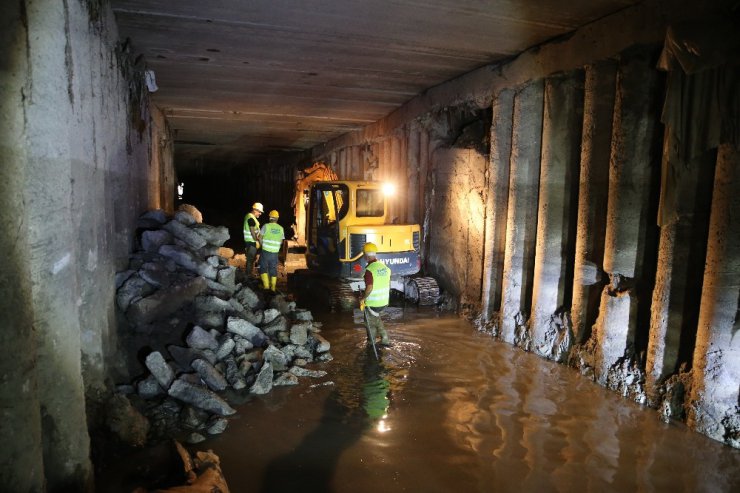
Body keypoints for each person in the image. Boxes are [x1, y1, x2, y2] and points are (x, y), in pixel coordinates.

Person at [359, 242, 391, 347]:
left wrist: (363, 298)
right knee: (376, 319)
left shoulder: (369, 270)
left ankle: (371, 342)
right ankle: (384, 338)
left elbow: (370, 287)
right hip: (384, 302)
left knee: (370, 323)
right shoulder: (384, 267)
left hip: (373, 303)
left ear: (365, 255)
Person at [259, 210, 285, 292]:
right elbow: (281, 241)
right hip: (275, 253)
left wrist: (262, 244)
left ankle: (266, 286)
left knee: (263, 267)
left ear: (270, 218)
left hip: (266, 251)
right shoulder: (281, 228)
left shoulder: (266, 226)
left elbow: (260, 238)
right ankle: (273, 287)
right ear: (277, 218)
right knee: (273, 269)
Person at [243, 202, 263, 278]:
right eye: (259, 212)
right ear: (255, 210)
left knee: (252, 259)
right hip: (251, 242)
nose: (260, 213)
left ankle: (249, 274)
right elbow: (252, 232)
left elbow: (256, 231)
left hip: (252, 242)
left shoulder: (251, 217)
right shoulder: (250, 218)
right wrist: (257, 240)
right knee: (250, 259)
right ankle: (248, 275)